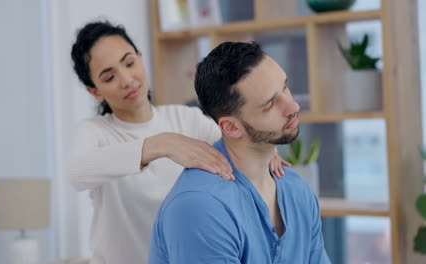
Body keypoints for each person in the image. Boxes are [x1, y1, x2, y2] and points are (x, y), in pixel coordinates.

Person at [68, 20, 289, 264]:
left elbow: (240, 141)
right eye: (109, 77)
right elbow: (78, 172)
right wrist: (162, 144)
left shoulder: (185, 119)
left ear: (141, 58)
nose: (127, 80)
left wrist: (265, 152)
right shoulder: (95, 132)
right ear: (95, 91)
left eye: (130, 63)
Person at [149, 41, 332, 264]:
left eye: (285, 87)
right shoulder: (199, 208)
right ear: (232, 127)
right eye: (270, 104)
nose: (292, 106)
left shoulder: (297, 190)